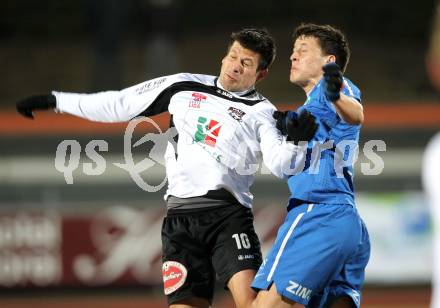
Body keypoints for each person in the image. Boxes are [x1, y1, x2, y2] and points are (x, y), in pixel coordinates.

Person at [16, 28, 317, 308]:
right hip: (179, 221)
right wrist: (56, 100)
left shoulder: (263, 113)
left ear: (261, 73)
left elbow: (282, 166)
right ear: (224, 56)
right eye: (233, 57)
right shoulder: (183, 85)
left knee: (252, 304)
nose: (236, 66)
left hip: (228, 218)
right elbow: (119, 103)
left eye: (247, 63)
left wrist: (298, 141)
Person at [251, 23, 371, 308]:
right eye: (293, 52)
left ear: (329, 62)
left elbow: (356, 114)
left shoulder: (333, 88)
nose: (293, 57)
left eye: (303, 51)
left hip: (318, 214)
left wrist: (334, 95)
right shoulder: (309, 110)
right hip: (345, 221)